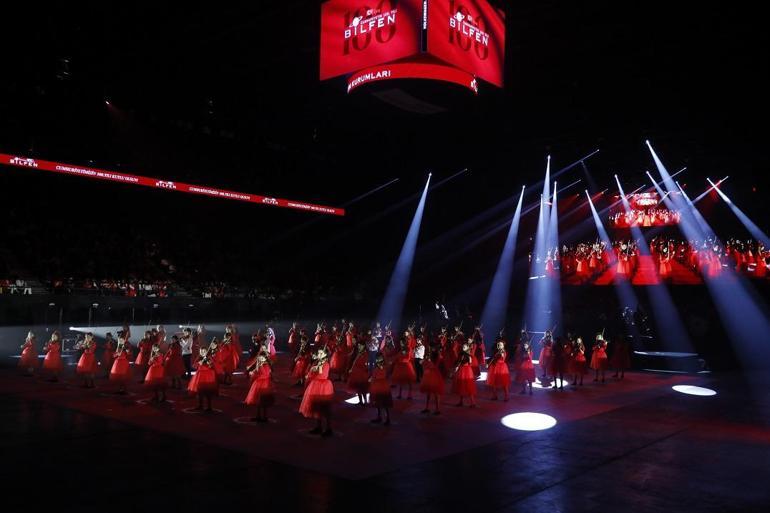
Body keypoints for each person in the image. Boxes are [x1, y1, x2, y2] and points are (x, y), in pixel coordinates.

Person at [299, 348, 334, 437]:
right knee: (316, 407)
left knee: (324, 409)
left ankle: (328, 428)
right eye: (318, 353)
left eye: (321, 353)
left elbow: (322, 375)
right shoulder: (317, 362)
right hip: (315, 385)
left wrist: (318, 367)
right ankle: (318, 427)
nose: (319, 355)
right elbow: (310, 373)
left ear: (325, 355)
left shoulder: (325, 364)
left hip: (323, 386)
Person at [188, 339, 220, 412]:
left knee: (208, 392)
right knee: (200, 392)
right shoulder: (199, 358)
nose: (203, 353)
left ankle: (209, 406)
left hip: (208, 376)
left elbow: (212, 366)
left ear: (206, 352)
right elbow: (194, 366)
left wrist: (209, 363)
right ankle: (200, 405)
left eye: (204, 351)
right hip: (200, 376)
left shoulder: (209, 358)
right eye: (201, 352)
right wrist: (199, 363)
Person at [245, 353, 274, 423]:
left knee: (263, 401)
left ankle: (264, 416)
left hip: (264, 384)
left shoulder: (266, 365)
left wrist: (255, 374)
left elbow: (265, 375)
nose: (260, 359)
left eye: (262, 358)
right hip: (259, 384)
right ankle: (258, 415)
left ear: (265, 358)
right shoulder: (260, 365)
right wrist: (253, 372)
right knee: (258, 401)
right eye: (260, 358)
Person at [369, 354, 392, 425]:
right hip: (378, 385)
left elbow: (387, 375)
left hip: (382, 385)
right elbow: (374, 376)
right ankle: (380, 417)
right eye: (377, 360)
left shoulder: (384, 367)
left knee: (384, 402)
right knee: (378, 401)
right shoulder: (377, 368)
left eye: (380, 359)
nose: (378, 361)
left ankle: (387, 418)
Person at [419, 348, 444, 414]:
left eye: (431, 355)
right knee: (429, 393)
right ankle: (428, 408)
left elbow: (422, 363)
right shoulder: (429, 361)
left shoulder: (435, 361)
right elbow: (421, 362)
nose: (430, 356)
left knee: (435, 393)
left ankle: (437, 409)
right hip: (429, 376)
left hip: (433, 376)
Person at [346, 341, 369, 406]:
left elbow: (365, 363)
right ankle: (360, 401)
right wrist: (351, 369)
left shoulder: (365, 354)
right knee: (358, 388)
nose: (359, 347)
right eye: (358, 346)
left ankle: (365, 402)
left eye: (360, 346)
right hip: (356, 372)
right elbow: (354, 362)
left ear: (364, 346)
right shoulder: (358, 353)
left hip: (361, 373)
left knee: (362, 388)